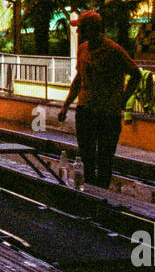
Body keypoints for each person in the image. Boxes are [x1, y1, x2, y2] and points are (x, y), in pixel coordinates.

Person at [58, 11, 141, 188]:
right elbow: (79, 79)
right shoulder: (82, 49)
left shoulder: (113, 50)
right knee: (86, 156)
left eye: (81, 28)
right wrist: (65, 106)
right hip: (85, 110)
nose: (78, 31)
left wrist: (123, 100)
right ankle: (89, 190)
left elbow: (136, 74)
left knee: (105, 158)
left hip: (107, 114)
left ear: (91, 29)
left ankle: (102, 193)